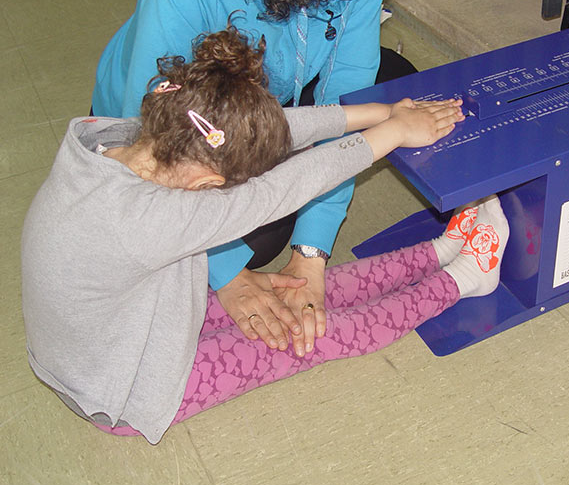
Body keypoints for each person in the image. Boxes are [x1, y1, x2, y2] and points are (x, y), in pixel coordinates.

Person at [22, 26, 508, 444]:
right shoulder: (148, 220)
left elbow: (264, 132)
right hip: (118, 388)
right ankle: (468, 276)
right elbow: (285, 186)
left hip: (115, 323)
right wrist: (396, 134)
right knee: (309, 336)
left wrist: (382, 114)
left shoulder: (130, 137)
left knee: (294, 293)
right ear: (210, 183)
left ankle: (442, 251)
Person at [91, 0, 437, 360]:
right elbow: (159, 149)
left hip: (261, 102)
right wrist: (227, 274)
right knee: (258, 242)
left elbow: (347, 95)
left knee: (393, 85)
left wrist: (312, 252)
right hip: (171, 127)